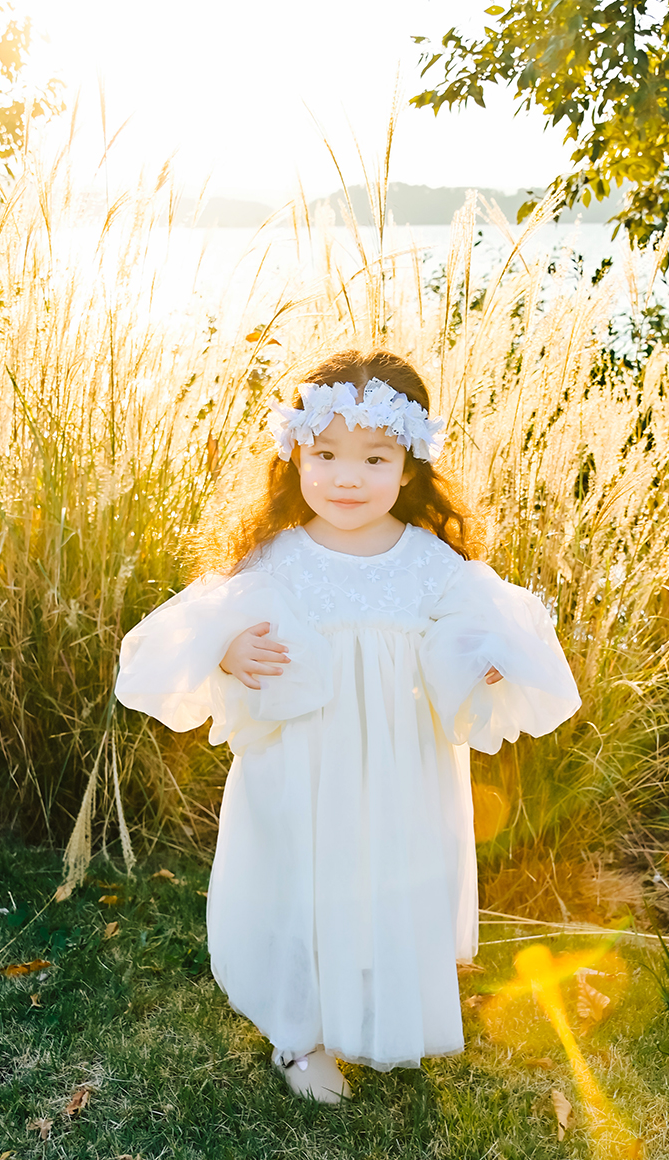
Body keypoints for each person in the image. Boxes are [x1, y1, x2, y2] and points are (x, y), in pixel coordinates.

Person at [115, 348, 580, 1103]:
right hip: (301, 766)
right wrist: (228, 649)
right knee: (300, 882)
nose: (347, 478)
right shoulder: (275, 559)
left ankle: (374, 1007)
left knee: (383, 879)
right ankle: (300, 1035)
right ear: (295, 454)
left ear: (409, 466)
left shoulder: (429, 562)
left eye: (374, 458)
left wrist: (483, 660)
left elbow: (478, 630)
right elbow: (194, 629)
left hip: (400, 767)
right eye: (326, 454)